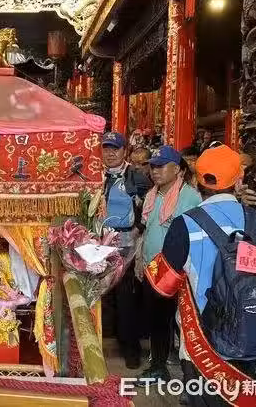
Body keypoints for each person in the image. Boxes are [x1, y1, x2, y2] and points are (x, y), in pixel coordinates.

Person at [147, 144, 256, 406]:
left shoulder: (185, 223)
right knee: (249, 398)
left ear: (198, 181)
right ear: (238, 180)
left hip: (203, 339)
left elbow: (164, 286)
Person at [138, 146, 201, 384]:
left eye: (161, 166)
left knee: (182, 322)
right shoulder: (151, 195)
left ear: (177, 169)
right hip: (153, 269)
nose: (155, 171)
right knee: (158, 320)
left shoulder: (190, 197)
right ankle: (158, 366)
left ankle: (191, 374)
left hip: (177, 271)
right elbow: (147, 230)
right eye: (153, 166)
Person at [99, 131, 153, 368]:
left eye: (116, 149)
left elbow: (150, 206)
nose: (110, 153)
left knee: (125, 297)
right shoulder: (95, 176)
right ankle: (99, 345)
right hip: (98, 243)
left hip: (127, 244)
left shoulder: (137, 177)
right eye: (106, 148)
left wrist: (138, 229)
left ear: (125, 151)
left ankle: (130, 349)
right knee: (100, 295)